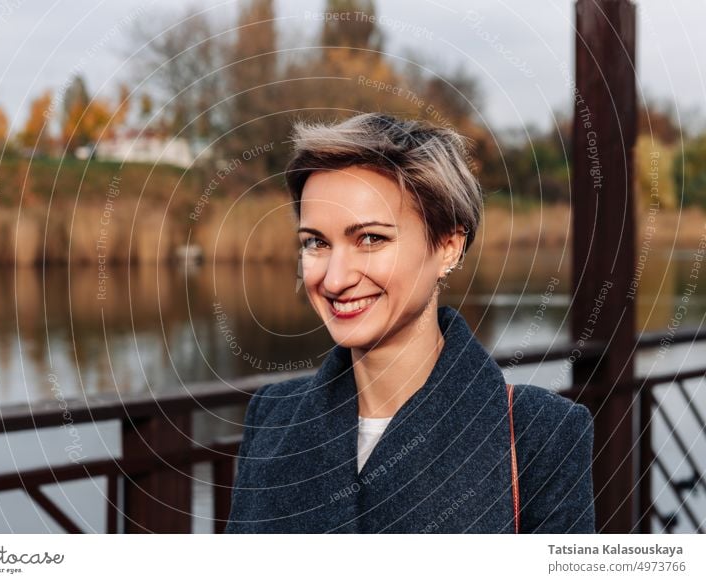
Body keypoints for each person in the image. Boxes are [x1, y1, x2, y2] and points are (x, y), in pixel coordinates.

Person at [224, 112, 595, 534]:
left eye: (371, 239)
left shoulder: (539, 434)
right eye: (316, 242)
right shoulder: (272, 418)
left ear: (448, 247)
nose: (335, 279)